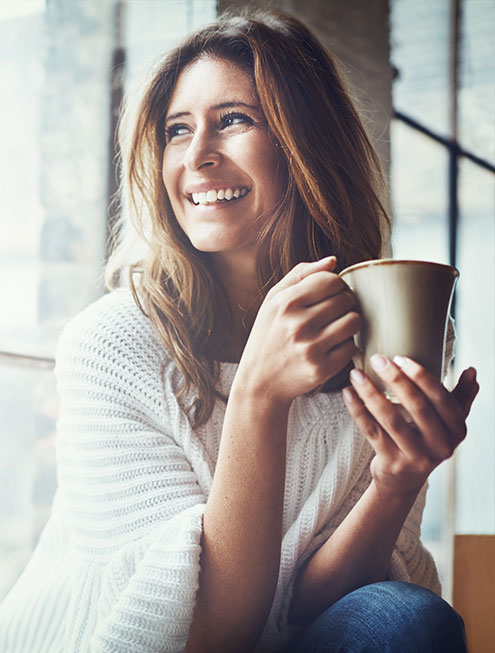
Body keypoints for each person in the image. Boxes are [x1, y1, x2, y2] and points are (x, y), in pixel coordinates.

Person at [0, 9, 479, 653]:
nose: (196, 155)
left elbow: (309, 608)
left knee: (403, 618)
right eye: (176, 130)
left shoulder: (382, 335)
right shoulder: (110, 344)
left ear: (306, 145)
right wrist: (259, 392)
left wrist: (396, 481)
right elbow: (206, 634)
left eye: (233, 120)